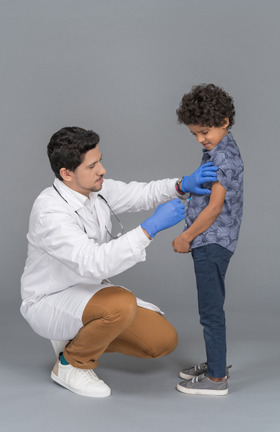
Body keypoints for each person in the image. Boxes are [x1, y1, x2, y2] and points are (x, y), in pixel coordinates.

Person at [20, 126, 218, 398]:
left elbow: (140, 194)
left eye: (100, 160)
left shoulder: (94, 189)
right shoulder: (50, 211)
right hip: (50, 298)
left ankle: (75, 338)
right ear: (67, 173)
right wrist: (149, 228)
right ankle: (71, 364)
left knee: (162, 341)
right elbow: (93, 263)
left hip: (87, 293)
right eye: (92, 165)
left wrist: (180, 184)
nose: (102, 169)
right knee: (119, 304)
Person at [172, 84, 244, 396]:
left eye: (204, 132)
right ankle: (215, 362)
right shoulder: (217, 151)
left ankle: (217, 379)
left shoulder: (224, 157)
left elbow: (215, 208)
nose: (201, 139)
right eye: (195, 134)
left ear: (224, 122)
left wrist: (185, 236)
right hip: (210, 241)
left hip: (210, 243)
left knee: (210, 312)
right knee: (210, 309)